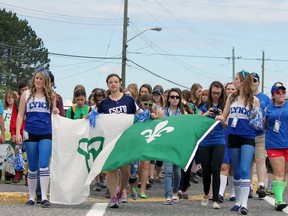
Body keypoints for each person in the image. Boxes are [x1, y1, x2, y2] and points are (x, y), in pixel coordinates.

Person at [216, 70, 260, 215]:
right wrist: (220, 118)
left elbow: (257, 121)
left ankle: (244, 204)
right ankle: (237, 201)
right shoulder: (231, 97)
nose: (233, 81)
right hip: (233, 135)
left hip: (248, 136)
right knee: (235, 170)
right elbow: (225, 114)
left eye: (236, 79)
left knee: (245, 168)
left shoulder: (254, 100)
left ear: (242, 81)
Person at [16, 67, 58, 207]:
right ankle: (32, 197)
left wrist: (56, 110)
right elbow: (21, 114)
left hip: (46, 132)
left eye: (41, 78)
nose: (38, 80)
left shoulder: (51, 96)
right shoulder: (26, 95)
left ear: (46, 81)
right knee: (33, 166)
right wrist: (17, 132)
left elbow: (54, 114)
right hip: (30, 133)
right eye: (36, 78)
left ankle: (45, 197)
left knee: (44, 164)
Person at [97, 74, 137, 208]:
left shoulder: (129, 100)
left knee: (126, 169)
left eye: (115, 82)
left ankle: (121, 190)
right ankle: (114, 197)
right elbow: (97, 119)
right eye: (110, 82)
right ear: (107, 84)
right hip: (110, 140)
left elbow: (137, 114)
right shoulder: (104, 103)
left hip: (126, 139)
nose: (113, 84)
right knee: (111, 168)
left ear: (120, 83)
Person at [198, 81, 226, 209]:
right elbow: (197, 123)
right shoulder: (203, 106)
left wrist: (222, 117)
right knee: (206, 170)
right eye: (214, 93)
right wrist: (206, 114)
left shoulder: (225, 106)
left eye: (218, 93)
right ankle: (205, 193)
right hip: (205, 141)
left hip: (219, 140)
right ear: (210, 92)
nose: (216, 95)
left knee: (216, 169)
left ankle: (215, 199)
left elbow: (227, 124)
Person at [159, 88, 186, 205]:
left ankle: (175, 192)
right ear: (168, 99)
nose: (175, 99)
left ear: (180, 99)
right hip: (166, 144)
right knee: (168, 171)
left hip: (178, 144)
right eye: (172, 97)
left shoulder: (183, 113)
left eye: (177, 97)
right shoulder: (162, 112)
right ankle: (168, 195)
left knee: (177, 171)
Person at [264, 82, 288, 211]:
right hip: (274, 144)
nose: (281, 94)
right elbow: (262, 126)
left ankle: (280, 197)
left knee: (285, 174)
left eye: (283, 91)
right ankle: (279, 201)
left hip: (287, 143)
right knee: (278, 172)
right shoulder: (268, 109)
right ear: (273, 95)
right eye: (277, 92)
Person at [249, 72, 271, 199]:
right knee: (249, 161)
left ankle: (261, 185)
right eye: (250, 80)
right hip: (247, 133)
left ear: (259, 82)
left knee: (260, 159)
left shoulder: (265, 98)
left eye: (255, 80)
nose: (253, 83)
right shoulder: (244, 97)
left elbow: (269, 114)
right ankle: (250, 186)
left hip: (260, 134)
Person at [219, 82, 236, 202]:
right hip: (223, 135)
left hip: (236, 135)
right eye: (228, 89)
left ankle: (233, 193)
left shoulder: (240, 103)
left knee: (234, 166)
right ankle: (220, 192)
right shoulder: (221, 104)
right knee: (224, 164)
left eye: (232, 89)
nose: (230, 91)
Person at [10, 78, 29, 184]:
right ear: (19, 91)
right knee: (18, 150)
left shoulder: (32, 100)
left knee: (28, 153)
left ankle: (28, 175)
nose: (24, 92)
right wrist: (13, 133)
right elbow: (13, 118)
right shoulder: (17, 102)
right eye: (22, 90)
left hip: (30, 131)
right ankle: (18, 171)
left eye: (26, 89)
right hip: (19, 132)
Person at [2, 91, 18, 183]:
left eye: (12, 97)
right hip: (4, 135)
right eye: (8, 97)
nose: (10, 99)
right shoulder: (3, 111)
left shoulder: (17, 111)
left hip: (13, 136)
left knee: (10, 154)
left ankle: (8, 175)